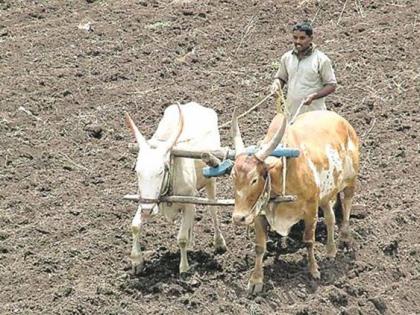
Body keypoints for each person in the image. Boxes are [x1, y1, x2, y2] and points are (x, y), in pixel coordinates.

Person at [270, 21, 337, 119]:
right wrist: (276, 85)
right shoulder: (287, 58)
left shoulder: (321, 60)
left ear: (310, 39)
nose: (298, 41)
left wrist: (314, 96)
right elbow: (281, 78)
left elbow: (331, 85)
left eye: (302, 38)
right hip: (291, 114)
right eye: (295, 38)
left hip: (314, 115)